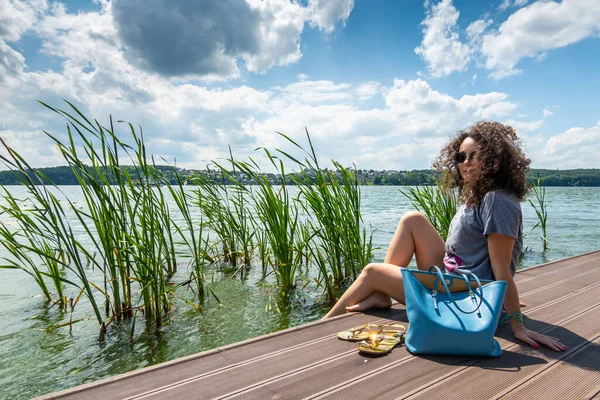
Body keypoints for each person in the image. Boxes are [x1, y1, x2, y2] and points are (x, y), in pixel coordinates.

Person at [322, 121, 566, 352]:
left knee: (372, 272)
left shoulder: (497, 200)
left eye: (474, 156)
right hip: (453, 279)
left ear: (494, 160)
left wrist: (517, 323)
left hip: (464, 297)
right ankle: (381, 294)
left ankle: (320, 328)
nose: (466, 163)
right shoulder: (479, 195)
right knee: (413, 220)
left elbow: (501, 267)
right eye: (461, 157)